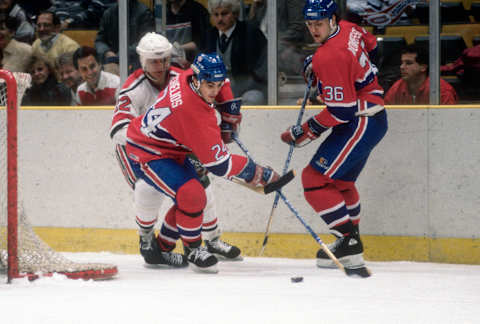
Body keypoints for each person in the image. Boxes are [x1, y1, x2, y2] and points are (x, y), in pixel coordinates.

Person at [125, 53, 282, 273]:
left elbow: (223, 83)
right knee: (192, 194)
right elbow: (220, 166)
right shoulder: (193, 113)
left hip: (170, 147)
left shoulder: (188, 76)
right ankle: (193, 249)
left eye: (217, 85)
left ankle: (163, 249)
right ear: (198, 80)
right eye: (210, 85)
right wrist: (258, 173)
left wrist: (227, 110)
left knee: (193, 195)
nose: (215, 91)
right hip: (146, 151)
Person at [111, 32, 243, 267]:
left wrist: (226, 118)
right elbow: (118, 131)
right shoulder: (133, 88)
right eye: (154, 60)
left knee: (200, 187)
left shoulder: (181, 76)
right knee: (147, 189)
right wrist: (153, 129)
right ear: (143, 61)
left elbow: (213, 89)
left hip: (174, 147)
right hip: (138, 149)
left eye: (164, 59)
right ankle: (147, 240)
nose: (160, 66)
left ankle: (211, 240)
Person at [280, 0, 388, 272]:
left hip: (359, 120)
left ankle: (348, 241)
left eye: (319, 23)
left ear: (332, 19)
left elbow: (341, 110)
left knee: (313, 179)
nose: (314, 29)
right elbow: (374, 48)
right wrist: (333, 80)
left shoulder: (327, 56)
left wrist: (303, 132)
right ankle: (351, 241)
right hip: (371, 116)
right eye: (310, 24)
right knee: (341, 182)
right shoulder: (350, 28)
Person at [204, 0, 268, 105]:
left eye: (224, 14)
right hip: (218, 90)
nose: (220, 19)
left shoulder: (251, 32)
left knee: (254, 98)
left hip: (247, 90)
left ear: (235, 14)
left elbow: (263, 66)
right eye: (216, 14)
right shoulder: (209, 35)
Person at [94, 0, 155, 75]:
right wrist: (106, 52)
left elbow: (147, 41)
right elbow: (99, 40)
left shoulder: (144, 13)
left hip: (137, 64)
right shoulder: (109, 13)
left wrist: (121, 55)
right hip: (111, 64)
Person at [385, 44, 458, 105]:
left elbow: (449, 120)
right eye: (402, 63)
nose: (402, 67)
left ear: (423, 67)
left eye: (408, 63)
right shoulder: (396, 88)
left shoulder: (442, 90)